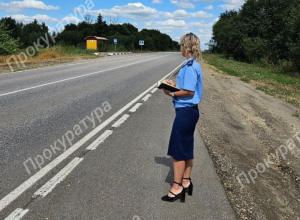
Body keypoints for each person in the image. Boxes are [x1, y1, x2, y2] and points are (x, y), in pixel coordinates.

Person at [161, 32, 203, 203]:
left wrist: (171, 92)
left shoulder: (191, 66)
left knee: (178, 151)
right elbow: (186, 87)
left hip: (186, 112)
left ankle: (177, 187)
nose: (180, 48)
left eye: (180, 45)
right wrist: (173, 86)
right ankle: (186, 182)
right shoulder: (191, 64)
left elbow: (189, 92)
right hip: (189, 112)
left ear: (186, 47)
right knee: (186, 148)